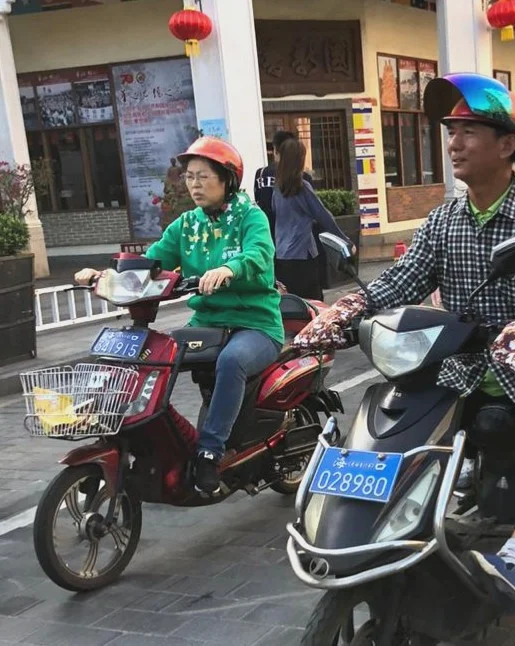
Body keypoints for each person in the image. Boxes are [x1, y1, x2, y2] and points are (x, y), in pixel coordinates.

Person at [292, 72, 515, 616]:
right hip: (455, 367)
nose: (454, 143)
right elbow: (399, 282)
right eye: (451, 131)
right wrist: (346, 309)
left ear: (508, 145)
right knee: (383, 434)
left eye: (468, 131)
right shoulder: (442, 220)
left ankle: (514, 555)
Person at [75, 137, 284, 495]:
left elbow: (259, 254)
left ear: (227, 179)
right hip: (206, 324)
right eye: (189, 177)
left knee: (231, 362)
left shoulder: (251, 217)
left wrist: (230, 269)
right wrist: (104, 275)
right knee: (152, 359)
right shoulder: (187, 225)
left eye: (203, 176)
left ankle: (208, 450)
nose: (195, 185)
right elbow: (150, 263)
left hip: (256, 324)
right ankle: (148, 440)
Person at [272, 136, 352, 300]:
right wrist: (346, 242)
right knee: (313, 305)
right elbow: (324, 216)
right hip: (303, 255)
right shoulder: (302, 187)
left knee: (291, 304)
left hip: (282, 256)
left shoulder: (277, 188)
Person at [254, 131, 328, 294]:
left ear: (275, 150)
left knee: (281, 296)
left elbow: (261, 205)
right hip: (300, 249)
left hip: (270, 243)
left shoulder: (260, 175)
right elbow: (318, 214)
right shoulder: (302, 179)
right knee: (309, 297)